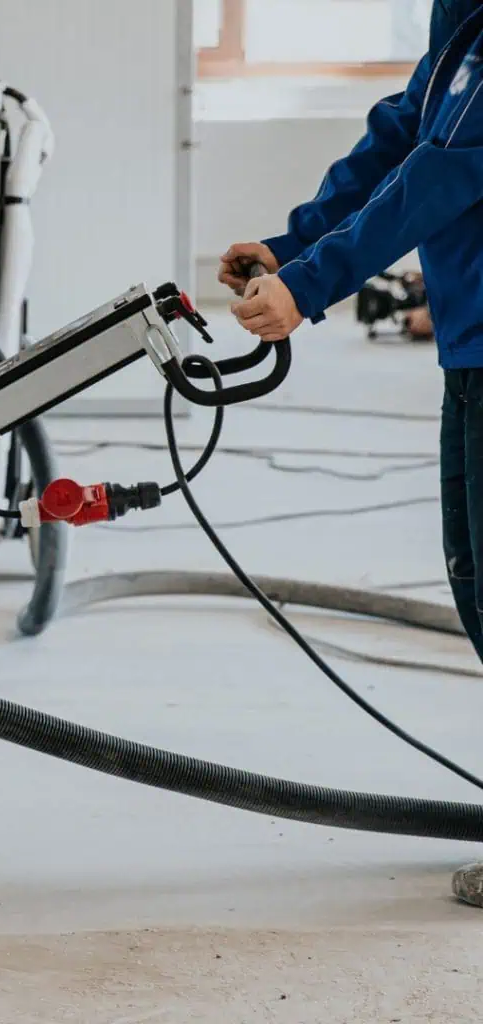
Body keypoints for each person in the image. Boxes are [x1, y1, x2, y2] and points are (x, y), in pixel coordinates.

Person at [218, 0, 483, 909]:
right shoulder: (462, 16)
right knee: (476, 586)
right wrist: (291, 246)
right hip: (470, 346)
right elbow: (403, 133)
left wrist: (311, 281)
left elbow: (443, 172)